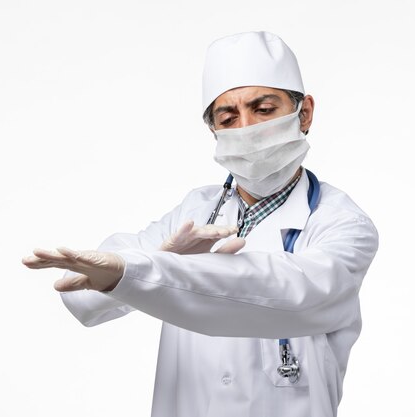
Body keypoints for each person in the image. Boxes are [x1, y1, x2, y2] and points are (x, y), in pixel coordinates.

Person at [23, 31, 379, 417]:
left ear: (304, 113)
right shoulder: (195, 211)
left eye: (263, 109)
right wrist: (160, 257)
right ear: (213, 130)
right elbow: (85, 301)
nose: (246, 128)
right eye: (228, 117)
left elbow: (293, 291)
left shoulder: (341, 222)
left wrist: (154, 269)